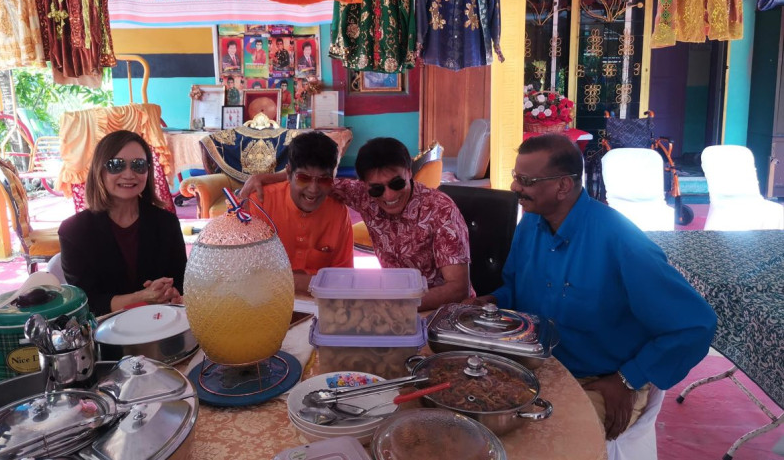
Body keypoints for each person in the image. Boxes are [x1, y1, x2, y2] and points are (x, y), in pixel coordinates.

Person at [465, 134, 716, 440]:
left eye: (526, 180)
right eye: (516, 177)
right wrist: (491, 302)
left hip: (600, 380)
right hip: (538, 367)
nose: (515, 187)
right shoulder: (531, 224)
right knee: (466, 417)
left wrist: (627, 379)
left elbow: (696, 325)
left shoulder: (620, 241)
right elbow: (517, 290)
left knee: (538, 442)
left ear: (563, 186)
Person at [241, 137, 471, 310]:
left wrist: (396, 305)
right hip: (391, 306)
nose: (389, 195)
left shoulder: (440, 210)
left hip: (442, 311)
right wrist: (265, 177)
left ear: (409, 173)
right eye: (377, 188)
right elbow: (315, 179)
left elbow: (457, 288)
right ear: (364, 185)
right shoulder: (363, 195)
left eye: (397, 183)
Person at [59, 130, 186, 315]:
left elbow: (181, 282)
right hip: (104, 328)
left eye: (138, 165)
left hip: (159, 321)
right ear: (100, 170)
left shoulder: (167, 223)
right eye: (116, 165)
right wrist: (141, 297)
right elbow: (85, 302)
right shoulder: (74, 231)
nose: (129, 174)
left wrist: (170, 292)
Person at [247, 131, 354, 293]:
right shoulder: (260, 203)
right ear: (288, 174)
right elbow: (246, 275)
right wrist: (311, 282)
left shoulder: (338, 212)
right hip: (265, 299)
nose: (313, 189)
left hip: (318, 303)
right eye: (304, 178)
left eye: (324, 180)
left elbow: (344, 277)